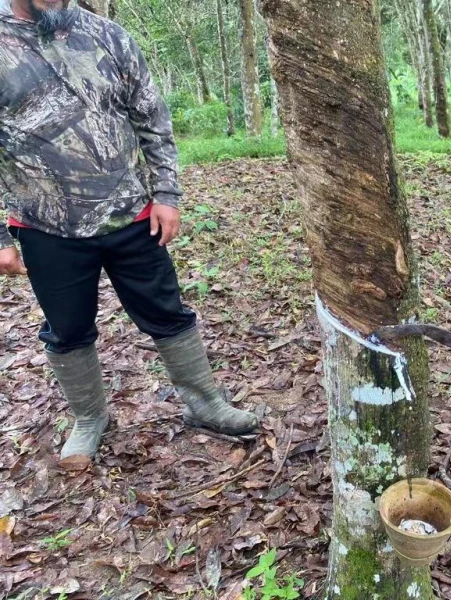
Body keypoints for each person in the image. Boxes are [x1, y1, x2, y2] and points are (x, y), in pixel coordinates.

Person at [0, 0, 258, 461]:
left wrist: (166, 194)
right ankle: (89, 417)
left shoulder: (108, 36)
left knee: (167, 311)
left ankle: (205, 403)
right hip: (46, 225)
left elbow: (151, 119)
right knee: (67, 328)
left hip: (130, 214)